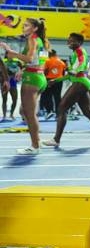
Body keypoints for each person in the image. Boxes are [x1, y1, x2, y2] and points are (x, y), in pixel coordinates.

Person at [41, 33, 90, 148]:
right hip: (81, 82)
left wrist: (76, 69)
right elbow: (71, 74)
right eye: (69, 40)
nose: (70, 42)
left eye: (73, 41)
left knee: (61, 108)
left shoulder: (79, 51)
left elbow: (81, 63)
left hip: (80, 82)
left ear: (80, 43)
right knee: (88, 112)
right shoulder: (74, 53)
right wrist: (56, 80)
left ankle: (56, 139)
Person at [0, 18, 49, 154]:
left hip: (32, 79)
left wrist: (11, 52)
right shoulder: (41, 40)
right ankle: (37, 141)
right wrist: (23, 69)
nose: (23, 27)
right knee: (24, 112)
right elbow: (40, 61)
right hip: (39, 77)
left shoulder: (32, 39)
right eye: (23, 25)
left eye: (26, 25)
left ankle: (35, 146)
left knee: (29, 114)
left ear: (35, 28)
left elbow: (29, 58)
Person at [41, 49, 66, 118]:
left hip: (49, 80)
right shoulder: (62, 62)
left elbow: (45, 71)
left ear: (49, 54)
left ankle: (50, 111)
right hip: (59, 81)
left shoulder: (48, 61)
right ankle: (58, 113)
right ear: (55, 54)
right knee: (57, 97)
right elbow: (63, 73)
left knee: (47, 96)